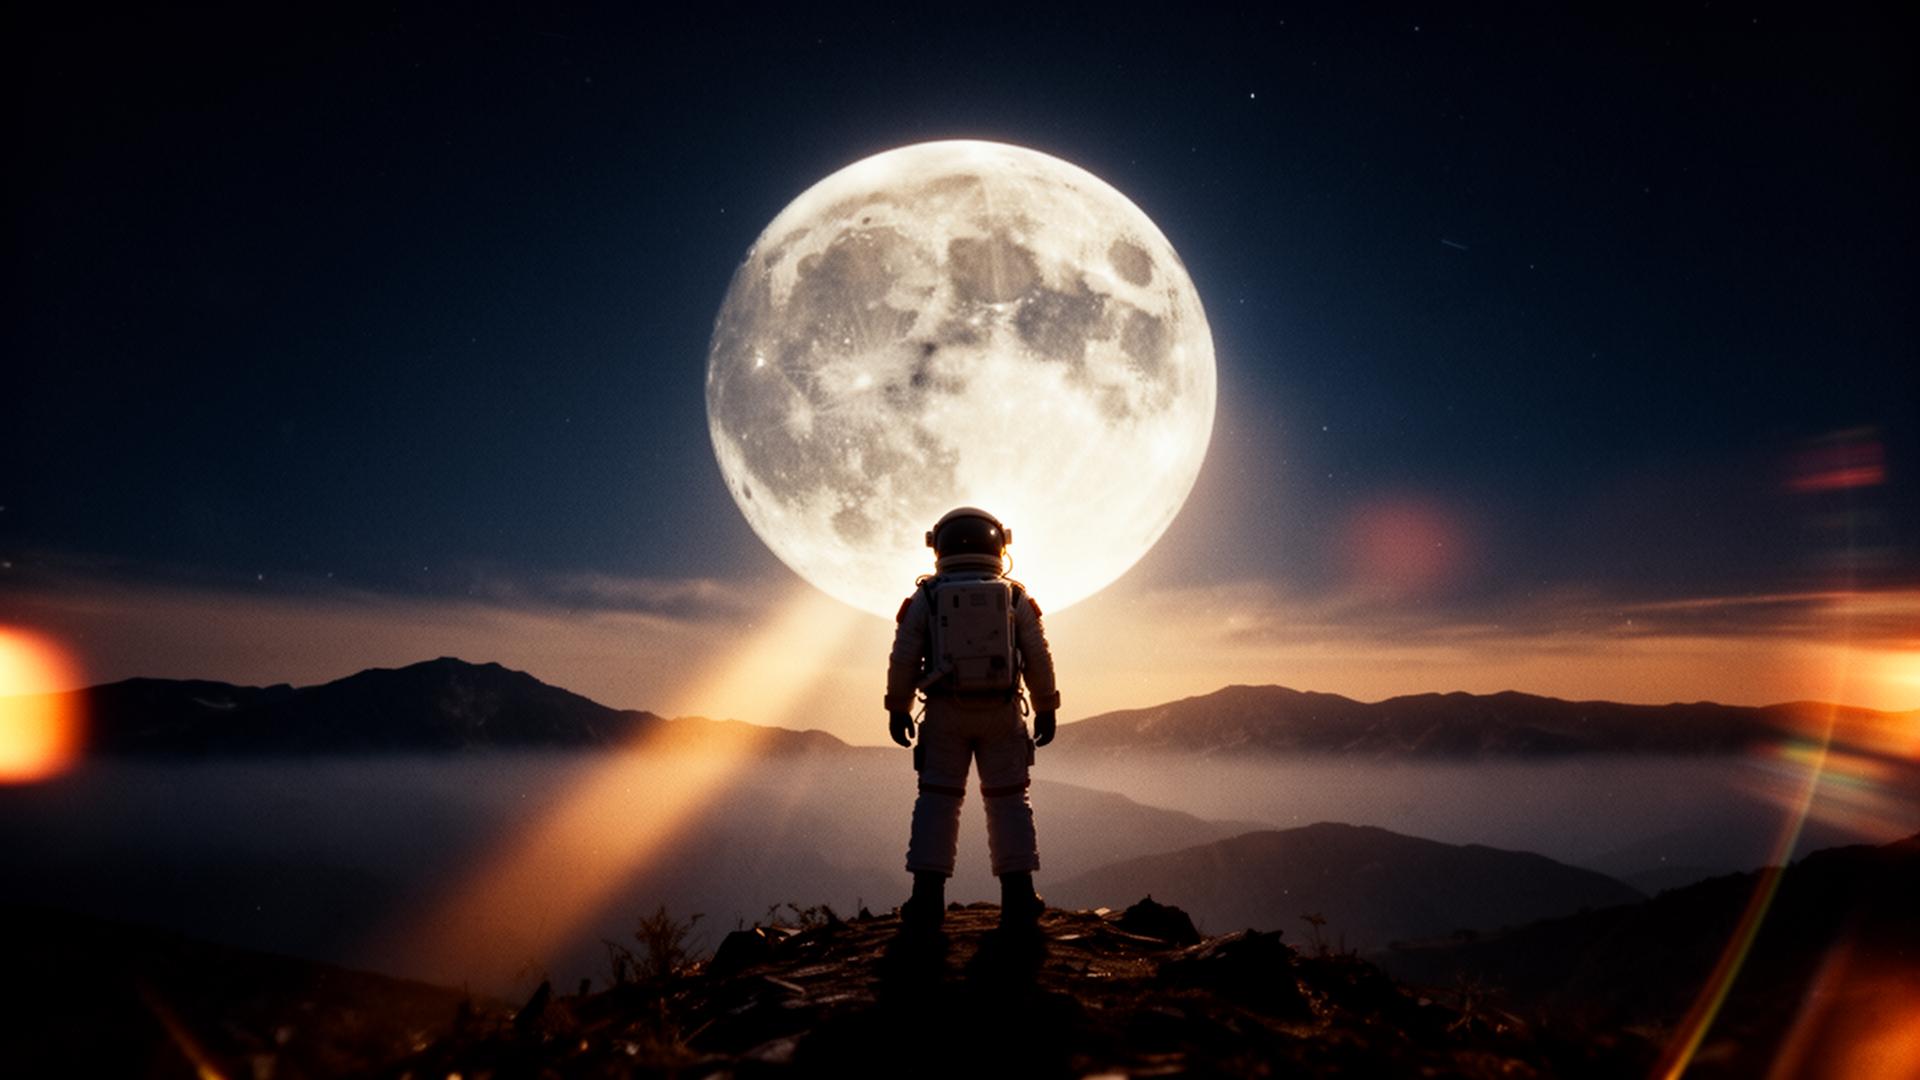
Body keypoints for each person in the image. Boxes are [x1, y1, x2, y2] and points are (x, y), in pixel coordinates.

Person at [885, 506, 1060, 933]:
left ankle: (927, 898)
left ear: (938, 546)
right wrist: (1046, 707)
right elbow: (1037, 656)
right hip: (1001, 712)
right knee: (1008, 801)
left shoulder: (926, 598)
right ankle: (1018, 895)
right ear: (1000, 545)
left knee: (937, 800)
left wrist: (898, 708)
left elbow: (904, 657)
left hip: (945, 712)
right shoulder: (1015, 597)